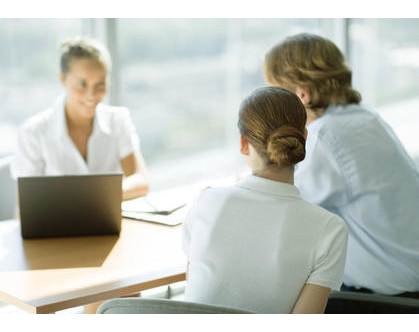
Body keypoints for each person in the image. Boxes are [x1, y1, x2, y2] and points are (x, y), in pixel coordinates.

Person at [263, 33, 419, 302]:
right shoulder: (364, 117)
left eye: (276, 92)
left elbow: (276, 206)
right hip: (407, 276)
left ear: (301, 94)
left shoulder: (327, 137)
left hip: (386, 298)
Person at [181, 86, 348, 314]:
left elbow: (194, 299)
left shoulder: (205, 202)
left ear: (242, 144)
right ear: (304, 138)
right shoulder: (330, 230)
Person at [10, 35, 149, 201]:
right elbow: (23, 208)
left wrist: (89, 197)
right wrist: (95, 197)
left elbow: (140, 182)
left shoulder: (118, 120)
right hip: (56, 225)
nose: (92, 95)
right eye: (82, 84)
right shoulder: (33, 132)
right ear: (63, 79)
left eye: (100, 84)